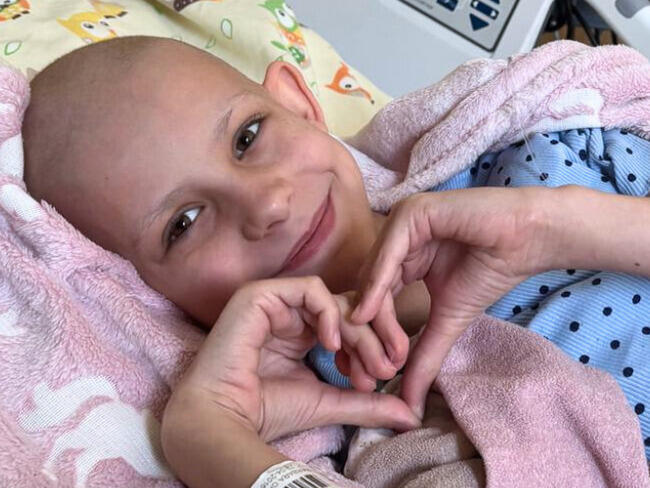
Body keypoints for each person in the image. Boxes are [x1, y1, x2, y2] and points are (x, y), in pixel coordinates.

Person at [22, 35, 650, 487]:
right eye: (183, 224)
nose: (267, 204)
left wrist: (564, 225)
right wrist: (209, 438)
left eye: (247, 137)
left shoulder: (552, 152)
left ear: (298, 102)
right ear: (152, 298)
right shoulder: (350, 419)